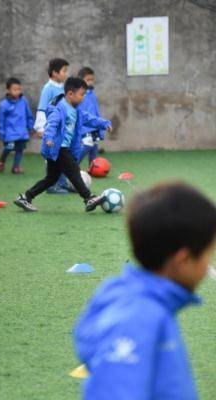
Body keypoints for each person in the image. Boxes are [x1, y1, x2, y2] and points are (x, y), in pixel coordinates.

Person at [74, 182, 216, 399]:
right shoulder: (138, 318)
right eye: (208, 254)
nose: (208, 264)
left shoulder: (147, 304)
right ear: (183, 260)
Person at [14, 77, 111, 212]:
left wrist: (104, 123)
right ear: (70, 94)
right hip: (56, 148)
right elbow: (51, 124)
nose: (83, 98)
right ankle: (89, 198)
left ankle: (25, 197)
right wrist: (48, 137)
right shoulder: (59, 109)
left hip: (64, 149)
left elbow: (89, 118)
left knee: (51, 178)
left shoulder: (76, 110)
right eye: (81, 95)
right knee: (73, 170)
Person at [34, 58, 70, 194]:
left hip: (61, 130)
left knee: (62, 155)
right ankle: (51, 185)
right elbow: (42, 108)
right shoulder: (48, 89)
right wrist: (41, 127)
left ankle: (62, 183)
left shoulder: (62, 88)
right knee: (52, 157)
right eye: (64, 71)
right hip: (51, 129)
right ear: (55, 73)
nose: (66, 74)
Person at [0, 77, 35, 174]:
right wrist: (1, 133)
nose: (17, 91)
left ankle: (16, 167)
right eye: (14, 89)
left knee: (20, 149)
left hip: (22, 132)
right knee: (9, 147)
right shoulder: (3, 105)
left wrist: (31, 127)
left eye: (19, 89)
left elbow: (28, 115)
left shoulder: (24, 101)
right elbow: (0, 121)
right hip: (10, 133)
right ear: (8, 90)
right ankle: (2, 160)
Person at [77, 66, 105, 166]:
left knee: (94, 147)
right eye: (88, 80)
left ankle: (93, 168)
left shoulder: (92, 95)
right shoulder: (79, 95)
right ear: (80, 80)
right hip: (84, 128)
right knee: (87, 145)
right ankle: (73, 165)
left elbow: (96, 112)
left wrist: (100, 127)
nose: (90, 82)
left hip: (94, 127)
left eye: (92, 80)